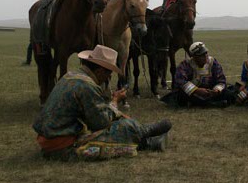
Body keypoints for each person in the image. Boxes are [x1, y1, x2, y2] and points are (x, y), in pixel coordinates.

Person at [33, 44, 172, 160]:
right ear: (100, 71)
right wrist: (115, 101)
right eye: (108, 73)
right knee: (123, 127)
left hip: (51, 139)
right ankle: (145, 132)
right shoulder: (87, 86)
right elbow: (101, 123)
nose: (109, 76)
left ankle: (149, 142)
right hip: (63, 145)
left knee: (119, 124)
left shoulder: (70, 76)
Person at [161, 41, 229, 108]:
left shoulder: (213, 63)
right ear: (194, 57)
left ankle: (204, 102)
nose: (205, 56)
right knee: (182, 94)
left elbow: (221, 79)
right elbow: (180, 81)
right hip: (193, 93)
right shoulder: (185, 65)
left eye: (206, 53)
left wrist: (216, 90)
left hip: (210, 91)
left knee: (226, 91)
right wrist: (196, 90)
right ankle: (211, 104)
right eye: (201, 55)